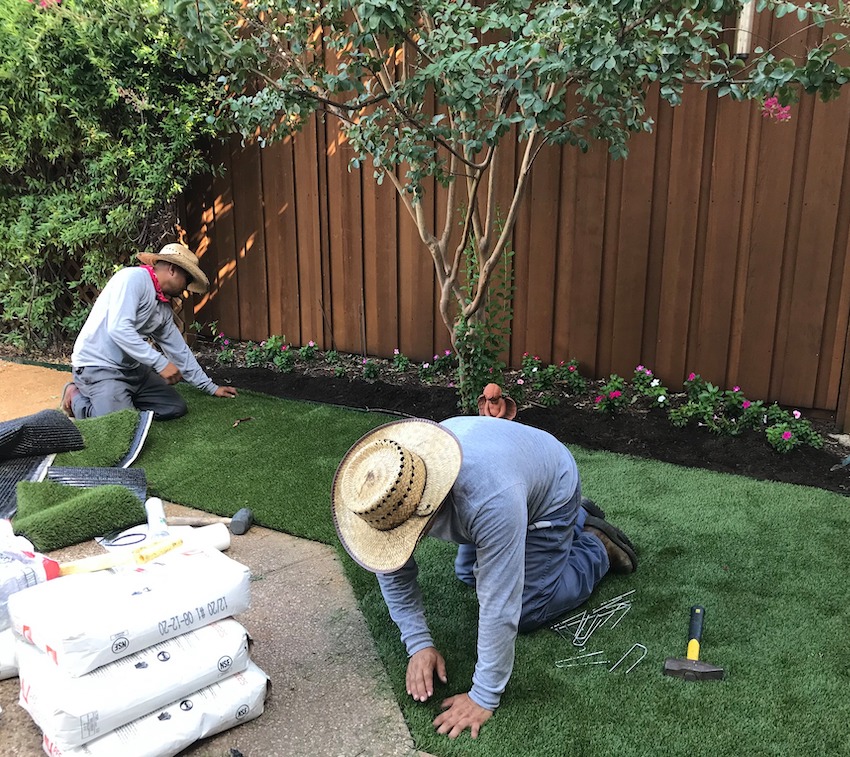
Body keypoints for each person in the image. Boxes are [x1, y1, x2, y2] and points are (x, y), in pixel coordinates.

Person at [331, 415, 636, 740]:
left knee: (526, 610)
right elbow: (393, 567)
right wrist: (418, 643)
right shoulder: (385, 490)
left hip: (550, 491)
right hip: (515, 482)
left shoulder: (487, 500)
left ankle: (593, 544)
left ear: (428, 504)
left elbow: (500, 603)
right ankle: (571, 520)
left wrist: (484, 695)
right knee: (467, 574)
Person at [61, 243, 238, 420]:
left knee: (174, 407)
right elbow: (119, 328)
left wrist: (210, 387)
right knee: (119, 423)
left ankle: (122, 401)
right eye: (188, 279)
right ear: (172, 269)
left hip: (133, 370)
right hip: (98, 366)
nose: (187, 289)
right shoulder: (132, 279)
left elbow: (179, 350)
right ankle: (75, 396)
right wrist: (160, 363)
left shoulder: (163, 309)